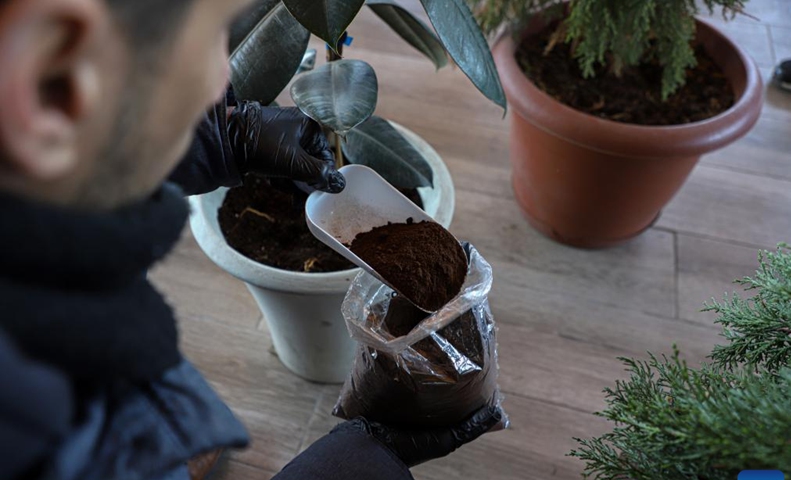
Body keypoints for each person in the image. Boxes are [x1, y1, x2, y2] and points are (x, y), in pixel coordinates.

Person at [0, 0, 502, 479]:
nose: (226, 73)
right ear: (52, 69)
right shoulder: (34, 415)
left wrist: (225, 136)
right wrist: (368, 456)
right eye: (212, 35)